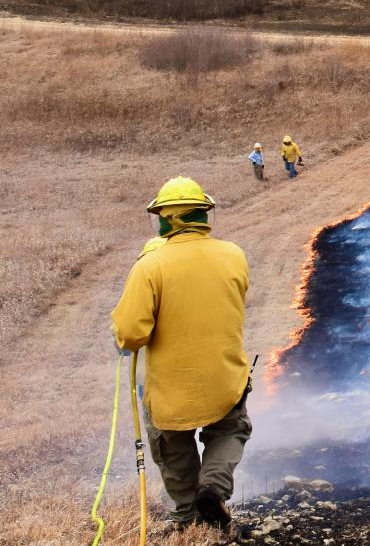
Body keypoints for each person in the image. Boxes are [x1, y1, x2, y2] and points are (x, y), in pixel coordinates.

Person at [111, 177, 251, 532]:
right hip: (224, 378)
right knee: (228, 431)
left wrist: (121, 336)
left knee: (173, 447)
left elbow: (130, 334)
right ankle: (214, 486)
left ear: (167, 219)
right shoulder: (234, 255)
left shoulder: (150, 266)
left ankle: (187, 514)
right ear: (204, 214)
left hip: (171, 388)